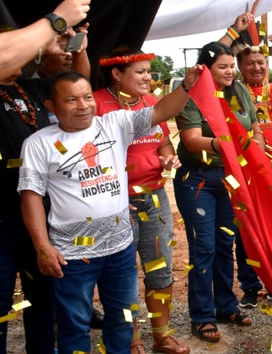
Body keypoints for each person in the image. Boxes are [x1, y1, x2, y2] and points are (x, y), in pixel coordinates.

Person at [18, 67, 201, 354]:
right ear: (51, 106)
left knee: (123, 318)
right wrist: (42, 246)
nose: (83, 106)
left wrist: (187, 86)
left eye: (87, 97)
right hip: (74, 254)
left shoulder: (114, 124)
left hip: (119, 247)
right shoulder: (38, 144)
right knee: (74, 323)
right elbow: (31, 197)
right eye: (71, 100)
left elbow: (160, 111)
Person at [94, 47, 189, 354]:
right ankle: (130, 337)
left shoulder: (151, 104)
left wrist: (168, 158)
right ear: (117, 74)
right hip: (117, 204)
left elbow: (163, 143)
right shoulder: (95, 103)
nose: (148, 77)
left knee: (160, 269)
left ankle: (162, 336)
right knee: (122, 274)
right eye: (141, 72)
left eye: (149, 71)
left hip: (155, 198)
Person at [174, 42, 263, 343]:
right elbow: (190, 140)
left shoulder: (239, 91)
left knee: (226, 243)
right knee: (204, 248)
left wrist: (257, 144)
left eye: (231, 66)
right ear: (206, 69)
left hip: (231, 178)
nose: (230, 71)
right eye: (222, 67)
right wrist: (227, 145)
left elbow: (255, 124)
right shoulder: (192, 95)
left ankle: (226, 305)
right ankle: (202, 316)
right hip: (196, 178)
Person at [219, 13, 272, 307]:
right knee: (247, 230)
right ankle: (251, 284)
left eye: (261, 63)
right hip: (244, 173)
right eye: (249, 63)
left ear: (268, 67)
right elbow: (212, 65)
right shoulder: (232, 92)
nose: (256, 66)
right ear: (239, 67)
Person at [0, 65, 56, 354]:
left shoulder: (30, 86)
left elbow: (79, 75)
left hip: (39, 210)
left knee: (42, 293)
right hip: (3, 216)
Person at [0, 0, 89, 79]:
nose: (69, 55)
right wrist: (56, 21)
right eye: (14, 48)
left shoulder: (30, 88)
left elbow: (77, 87)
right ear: (42, 61)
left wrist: (80, 51)